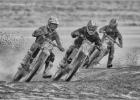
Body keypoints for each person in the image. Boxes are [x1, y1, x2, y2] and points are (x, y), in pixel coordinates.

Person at [13, 16, 65, 81]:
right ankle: (25, 61)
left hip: (47, 48)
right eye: (53, 24)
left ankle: (46, 71)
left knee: (52, 56)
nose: (54, 26)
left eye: (55, 25)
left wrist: (61, 47)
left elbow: (58, 42)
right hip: (38, 44)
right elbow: (34, 33)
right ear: (49, 23)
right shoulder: (43, 28)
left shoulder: (55, 34)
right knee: (34, 47)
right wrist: (38, 33)